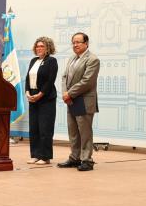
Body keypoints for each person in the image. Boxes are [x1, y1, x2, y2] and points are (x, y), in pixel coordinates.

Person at [58, 32, 100, 171]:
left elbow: (87, 81)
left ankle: (87, 160)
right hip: (71, 100)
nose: (75, 45)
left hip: (83, 100)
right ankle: (75, 158)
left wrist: (69, 93)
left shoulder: (92, 59)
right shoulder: (72, 58)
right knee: (73, 131)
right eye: (73, 42)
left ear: (86, 43)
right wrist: (65, 93)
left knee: (85, 132)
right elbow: (64, 77)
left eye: (78, 42)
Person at [25, 37, 58, 165]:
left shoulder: (51, 61)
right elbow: (27, 78)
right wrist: (27, 92)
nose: (39, 48)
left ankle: (45, 156)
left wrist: (40, 94)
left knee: (45, 128)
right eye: (37, 46)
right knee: (34, 128)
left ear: (48, 48)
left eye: (42, 46)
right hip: (32, 97)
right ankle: (35, 155)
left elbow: (50, 81)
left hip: (46, 98)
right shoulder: (33, 60)